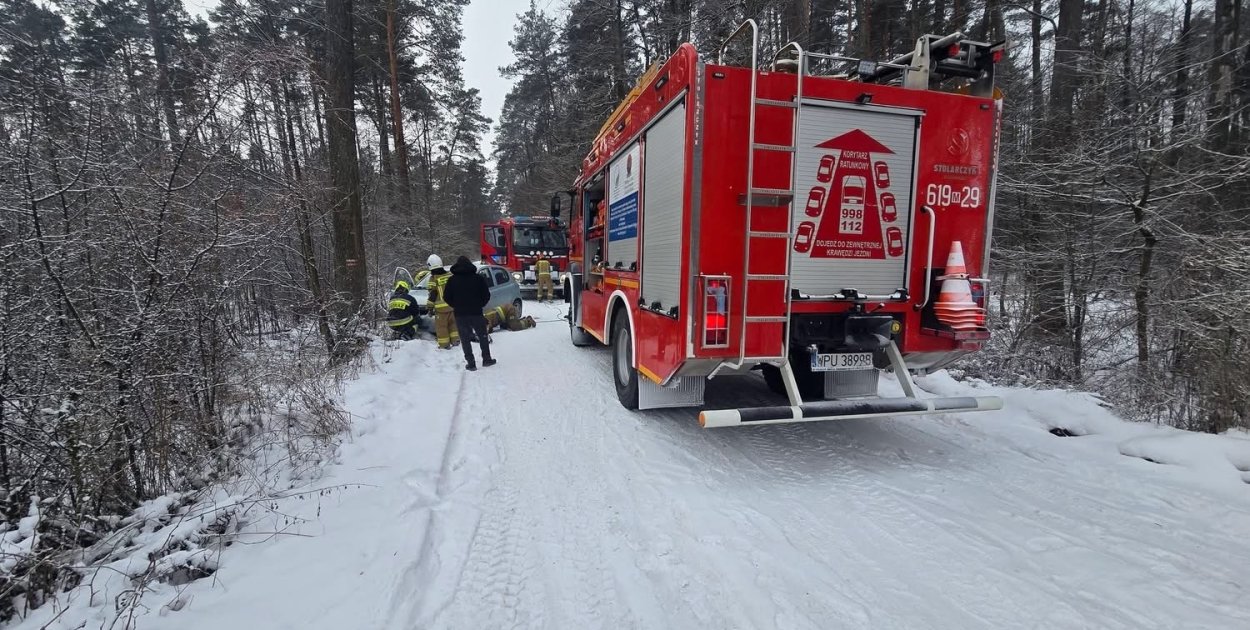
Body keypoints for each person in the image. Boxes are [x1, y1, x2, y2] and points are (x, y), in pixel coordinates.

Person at [442, 256, 495, 371]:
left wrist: (456, 305)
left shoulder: (452, 280)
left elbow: (446, 297)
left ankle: (471, 363)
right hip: (476, 312)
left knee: (465, 339)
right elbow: (486, 295)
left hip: (460, 314)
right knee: (482, 336)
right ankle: (486, 359)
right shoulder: (478, 279)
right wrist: (480, 304)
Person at [426, 254, 459, 349]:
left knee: (441, 327)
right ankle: (456, 341)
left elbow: (432, 295)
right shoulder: (450, 275)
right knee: (453, 325)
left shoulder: (433, 279)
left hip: (441, 309)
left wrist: (430, 308)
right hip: (453, 307)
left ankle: (444, 345)